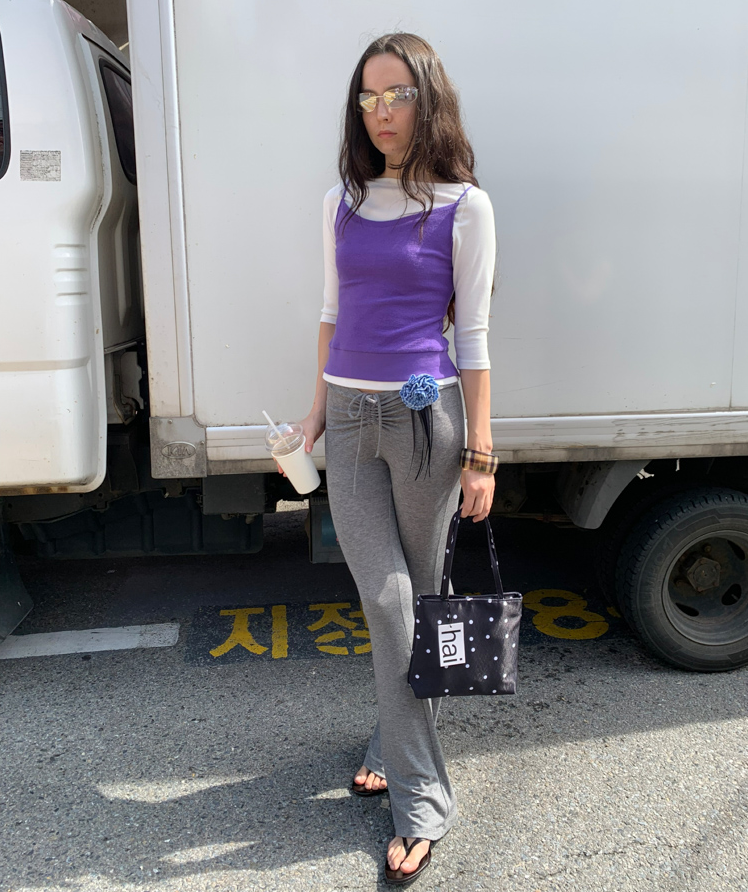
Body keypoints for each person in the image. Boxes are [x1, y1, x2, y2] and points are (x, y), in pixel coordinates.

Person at [284, 32, 496, 884]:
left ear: (427, 98)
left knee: (422, 598)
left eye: (397, 94)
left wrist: (482, 454)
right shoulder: (339, 200)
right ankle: (421, 787)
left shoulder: (463, 205)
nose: (381, 112)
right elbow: (332, 313)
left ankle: (403, 768)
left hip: (424, 424)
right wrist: (313, 414)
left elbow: (473, 336)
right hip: (349, 418)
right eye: (368, 97)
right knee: (387, 598)